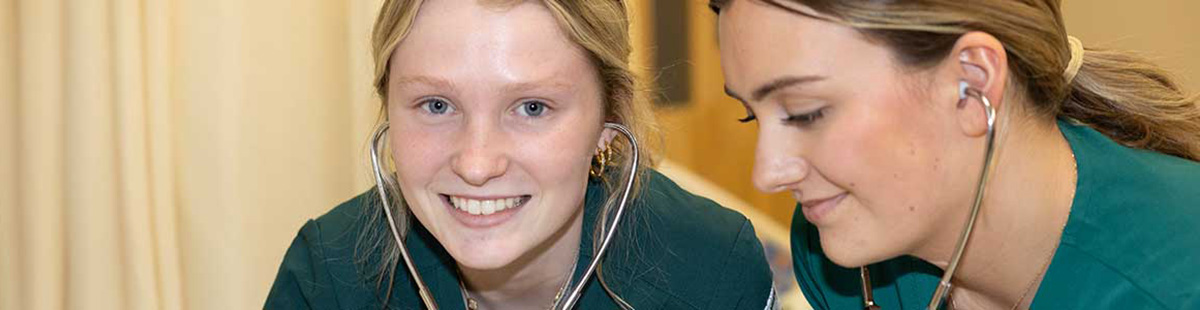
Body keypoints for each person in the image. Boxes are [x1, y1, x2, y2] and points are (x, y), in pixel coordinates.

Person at [265, 0, 775, 309]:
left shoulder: (712, 272)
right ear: (387, 110)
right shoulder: (327, 277)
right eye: (436, 104)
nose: (477, 163)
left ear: (605, 123)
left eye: (532, 107)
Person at [709, 0, 1200, 309]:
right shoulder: (837, 255)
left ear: (972, 83)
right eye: (752, 115)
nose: (768, 174)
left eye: (806, 112)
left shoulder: (1177, 283)